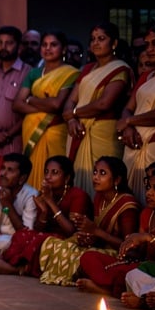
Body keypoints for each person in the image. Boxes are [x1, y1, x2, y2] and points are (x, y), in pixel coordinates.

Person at [0, 155, 92, 276]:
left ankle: (16, 269)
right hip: (32, 236)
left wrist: (50, 202)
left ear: (67, 178)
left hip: (70, 239)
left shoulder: (76, 195)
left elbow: (71, 232)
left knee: (37, 240)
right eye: (46, 172)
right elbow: (36, 229)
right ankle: (3, 263)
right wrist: (43, 213)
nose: (48, 177)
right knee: (23, 235)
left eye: (55, 172)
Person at [63, 22, 132, 198]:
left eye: (101, 39)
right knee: (81, 178)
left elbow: (104, 104)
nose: (96, 43)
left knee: (104, 179)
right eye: (93, 39)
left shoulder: (120, 69)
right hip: (79, 130)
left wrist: (74, 114)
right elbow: (71, 100)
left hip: (103, 133)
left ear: (114, 43)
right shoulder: (87, 69)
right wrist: (71, 120)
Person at [47, 155, 137, 289]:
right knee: (62, 245)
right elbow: (98, 234)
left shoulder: (127, 205)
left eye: (102, 173)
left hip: (118, 255)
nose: (95, 177)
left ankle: (100, 286)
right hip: (100, 248)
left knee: (87, 257)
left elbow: (130, 247)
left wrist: (96, 231)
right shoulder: (99, 198)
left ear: (117, 180)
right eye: (95, 172)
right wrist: (89, 237)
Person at [13, 30, 79, 190]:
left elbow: (57, 105)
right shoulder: (34, 73)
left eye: (53, 45)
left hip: (55, 131)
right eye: (44, 45)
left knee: (56, 173)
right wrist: (45, 102)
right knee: (33, 173)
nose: (47, 49)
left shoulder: (71, 73)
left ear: (63, 49)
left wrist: (31, 99)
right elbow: (16, 104)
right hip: (31, 131)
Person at [118, 22, 155, 206]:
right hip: (134, 144)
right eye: (147, 45)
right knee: (133, 200)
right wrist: (128, 127)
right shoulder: (147, 76)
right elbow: (128, 106)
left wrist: (129, 121)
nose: (150, 49)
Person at [0, 25, 31, 189]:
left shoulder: (28, 72)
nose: (4, 47)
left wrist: (7, 134)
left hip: (14, 142)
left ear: (19, 46)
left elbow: (28, 111)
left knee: (12, 188)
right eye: (0, 42)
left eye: (9, 43)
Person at [119, 160, 155, 310]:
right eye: (148, 188)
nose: (149, 193)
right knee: (134, 273)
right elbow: (142, 255)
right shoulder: (146, 214)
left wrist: (149, 238)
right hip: (154, 271)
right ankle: (150, 298)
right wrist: (129, 249)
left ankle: (146, 300)